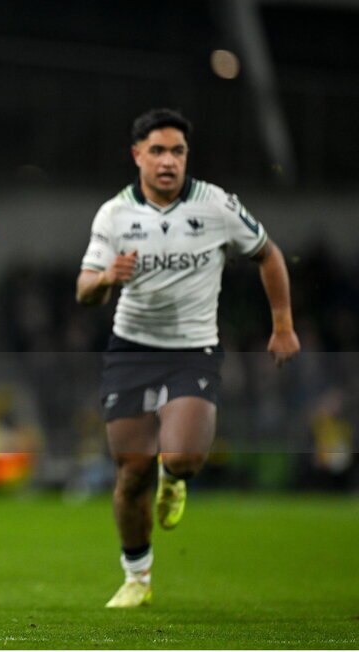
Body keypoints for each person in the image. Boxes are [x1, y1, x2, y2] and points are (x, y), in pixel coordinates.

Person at [76, 108, 300, 608]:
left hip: (192, 350)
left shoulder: (216, 205)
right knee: (131, 470)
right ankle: (137, 576)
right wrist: (108, 278)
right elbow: (85, 289)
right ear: (138, 155)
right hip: (130, 348)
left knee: (183, 456)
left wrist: (282, 324)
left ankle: (174, 480)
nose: (168, 161)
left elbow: (268, 254)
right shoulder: (115, 214)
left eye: (177, 151)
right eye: (157, 150)